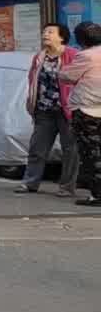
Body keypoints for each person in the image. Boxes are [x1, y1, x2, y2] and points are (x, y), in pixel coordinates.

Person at [18, 22, 79, 195]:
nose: (45, 34)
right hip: (44, 110)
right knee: (37, 148)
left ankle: (66, 187)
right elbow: (32, 80)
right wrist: (32, 102)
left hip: (67, 110)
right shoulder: (39, 57)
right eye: (44, 31)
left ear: (61, 37)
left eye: (50, 32)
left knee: (70, 150)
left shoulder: (73, 55)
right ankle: (30, 183)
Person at [61, 21, 101, 207]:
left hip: (87, 109)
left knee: (91, 153)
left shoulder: (86, 56)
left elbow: (67, 76)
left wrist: (62, 72)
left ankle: (97, 194)